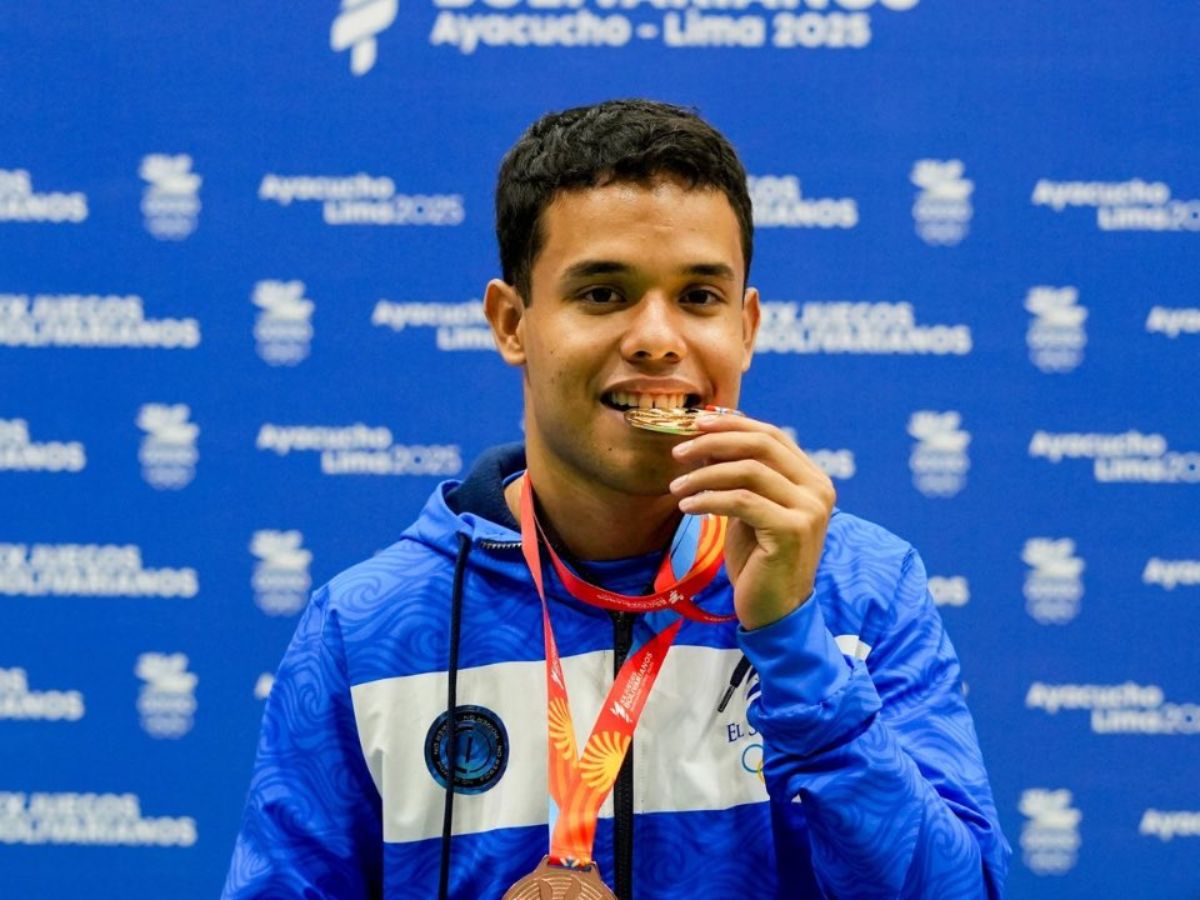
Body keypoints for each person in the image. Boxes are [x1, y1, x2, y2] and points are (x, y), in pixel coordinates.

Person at [223, 99, 1010, 899]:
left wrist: (792, 641)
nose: (657, 338)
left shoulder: (861, 589)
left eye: (699, 297)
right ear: (512, 324)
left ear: (747, 327)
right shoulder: (367, 626)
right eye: (603, 294)